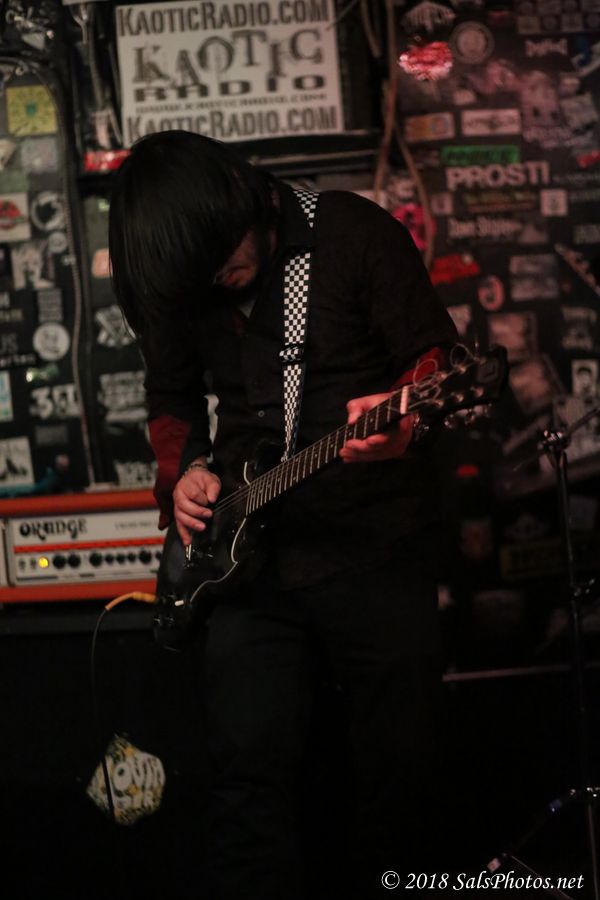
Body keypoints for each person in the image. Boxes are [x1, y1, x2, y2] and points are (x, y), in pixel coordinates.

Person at [108, 130, 458, 900]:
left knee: (398, 771)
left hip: (374, 548)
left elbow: (438, 363)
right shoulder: (182, 279)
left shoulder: (352, 233)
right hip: (245, 564)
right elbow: (171, 399)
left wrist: (405, 424)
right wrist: (186, 473)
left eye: (222, 259)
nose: (217, 282)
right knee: (245, 776)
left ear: (244, 202)